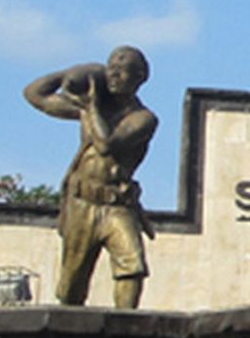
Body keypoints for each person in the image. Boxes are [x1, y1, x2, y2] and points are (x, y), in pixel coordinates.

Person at [24, 46, 158, 308]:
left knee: (132, 265)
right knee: (72, 284)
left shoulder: (144, 118)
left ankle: (127, 328)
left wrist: (91, 107)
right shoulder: (90, 108)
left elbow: (107, 144)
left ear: (140, 76)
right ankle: (69, 337)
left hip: (117, 204)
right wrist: (71, 73)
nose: (114, 75)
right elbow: (34, 94)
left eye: (122, 70)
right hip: (82, 202)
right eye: (110, 69)